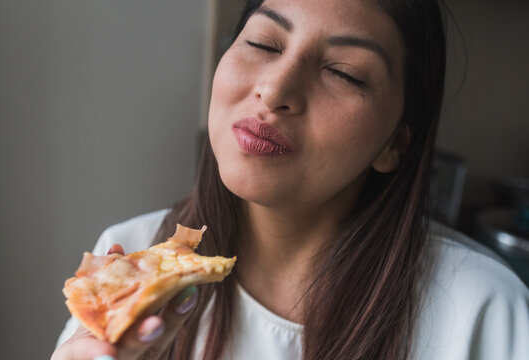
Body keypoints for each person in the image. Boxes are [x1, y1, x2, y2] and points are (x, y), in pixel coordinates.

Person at [52, 0, 529, 359]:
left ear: (394, 144)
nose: (275, 90)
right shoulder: (124, 264)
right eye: (263, 43)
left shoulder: (485, 311)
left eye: (343, 73)